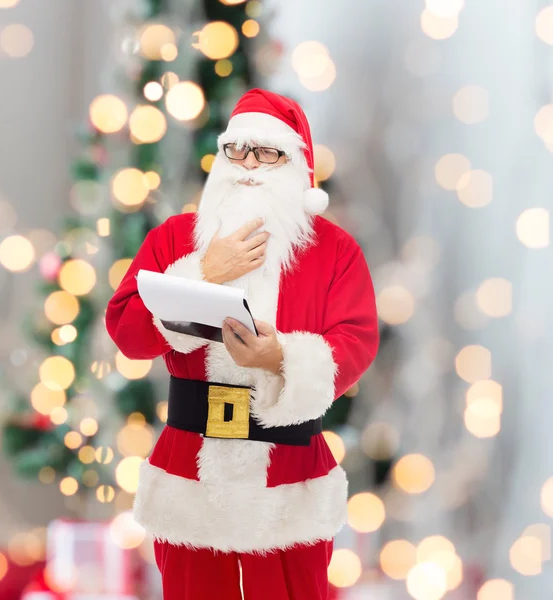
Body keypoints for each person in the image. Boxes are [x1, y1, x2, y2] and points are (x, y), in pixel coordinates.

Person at [105, 89, 379, 600]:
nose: (249, 165)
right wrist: (204, 273)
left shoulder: (335, 252)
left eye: (267, 152)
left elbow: (356, 341)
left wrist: (279, 359)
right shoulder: (174, 239)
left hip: (289, 485)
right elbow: (127, 330)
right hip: (192, 482)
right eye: (238, 150)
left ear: (296, 163)